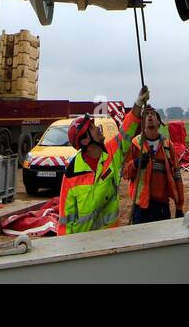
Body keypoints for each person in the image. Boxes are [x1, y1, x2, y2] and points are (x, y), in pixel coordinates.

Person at [56, 87, 147, 235]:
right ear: (85, 141)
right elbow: (64, 219)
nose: (98, 128)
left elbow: (127, 130)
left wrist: (137, 104)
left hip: (109, 238)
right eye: (92, 128)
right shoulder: (72, 174)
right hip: (81, 244)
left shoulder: (112, 153)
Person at [123, 107, 185, 224]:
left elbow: (177, 175)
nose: (150, 116)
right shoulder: (136, 144)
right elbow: (125, 172)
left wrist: (179, 207)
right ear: (142, 122)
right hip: (141, 206)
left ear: (159, 121)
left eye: (153, 114)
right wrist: (136, 163)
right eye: (146, 114)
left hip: (162, 206)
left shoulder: (167, 145)